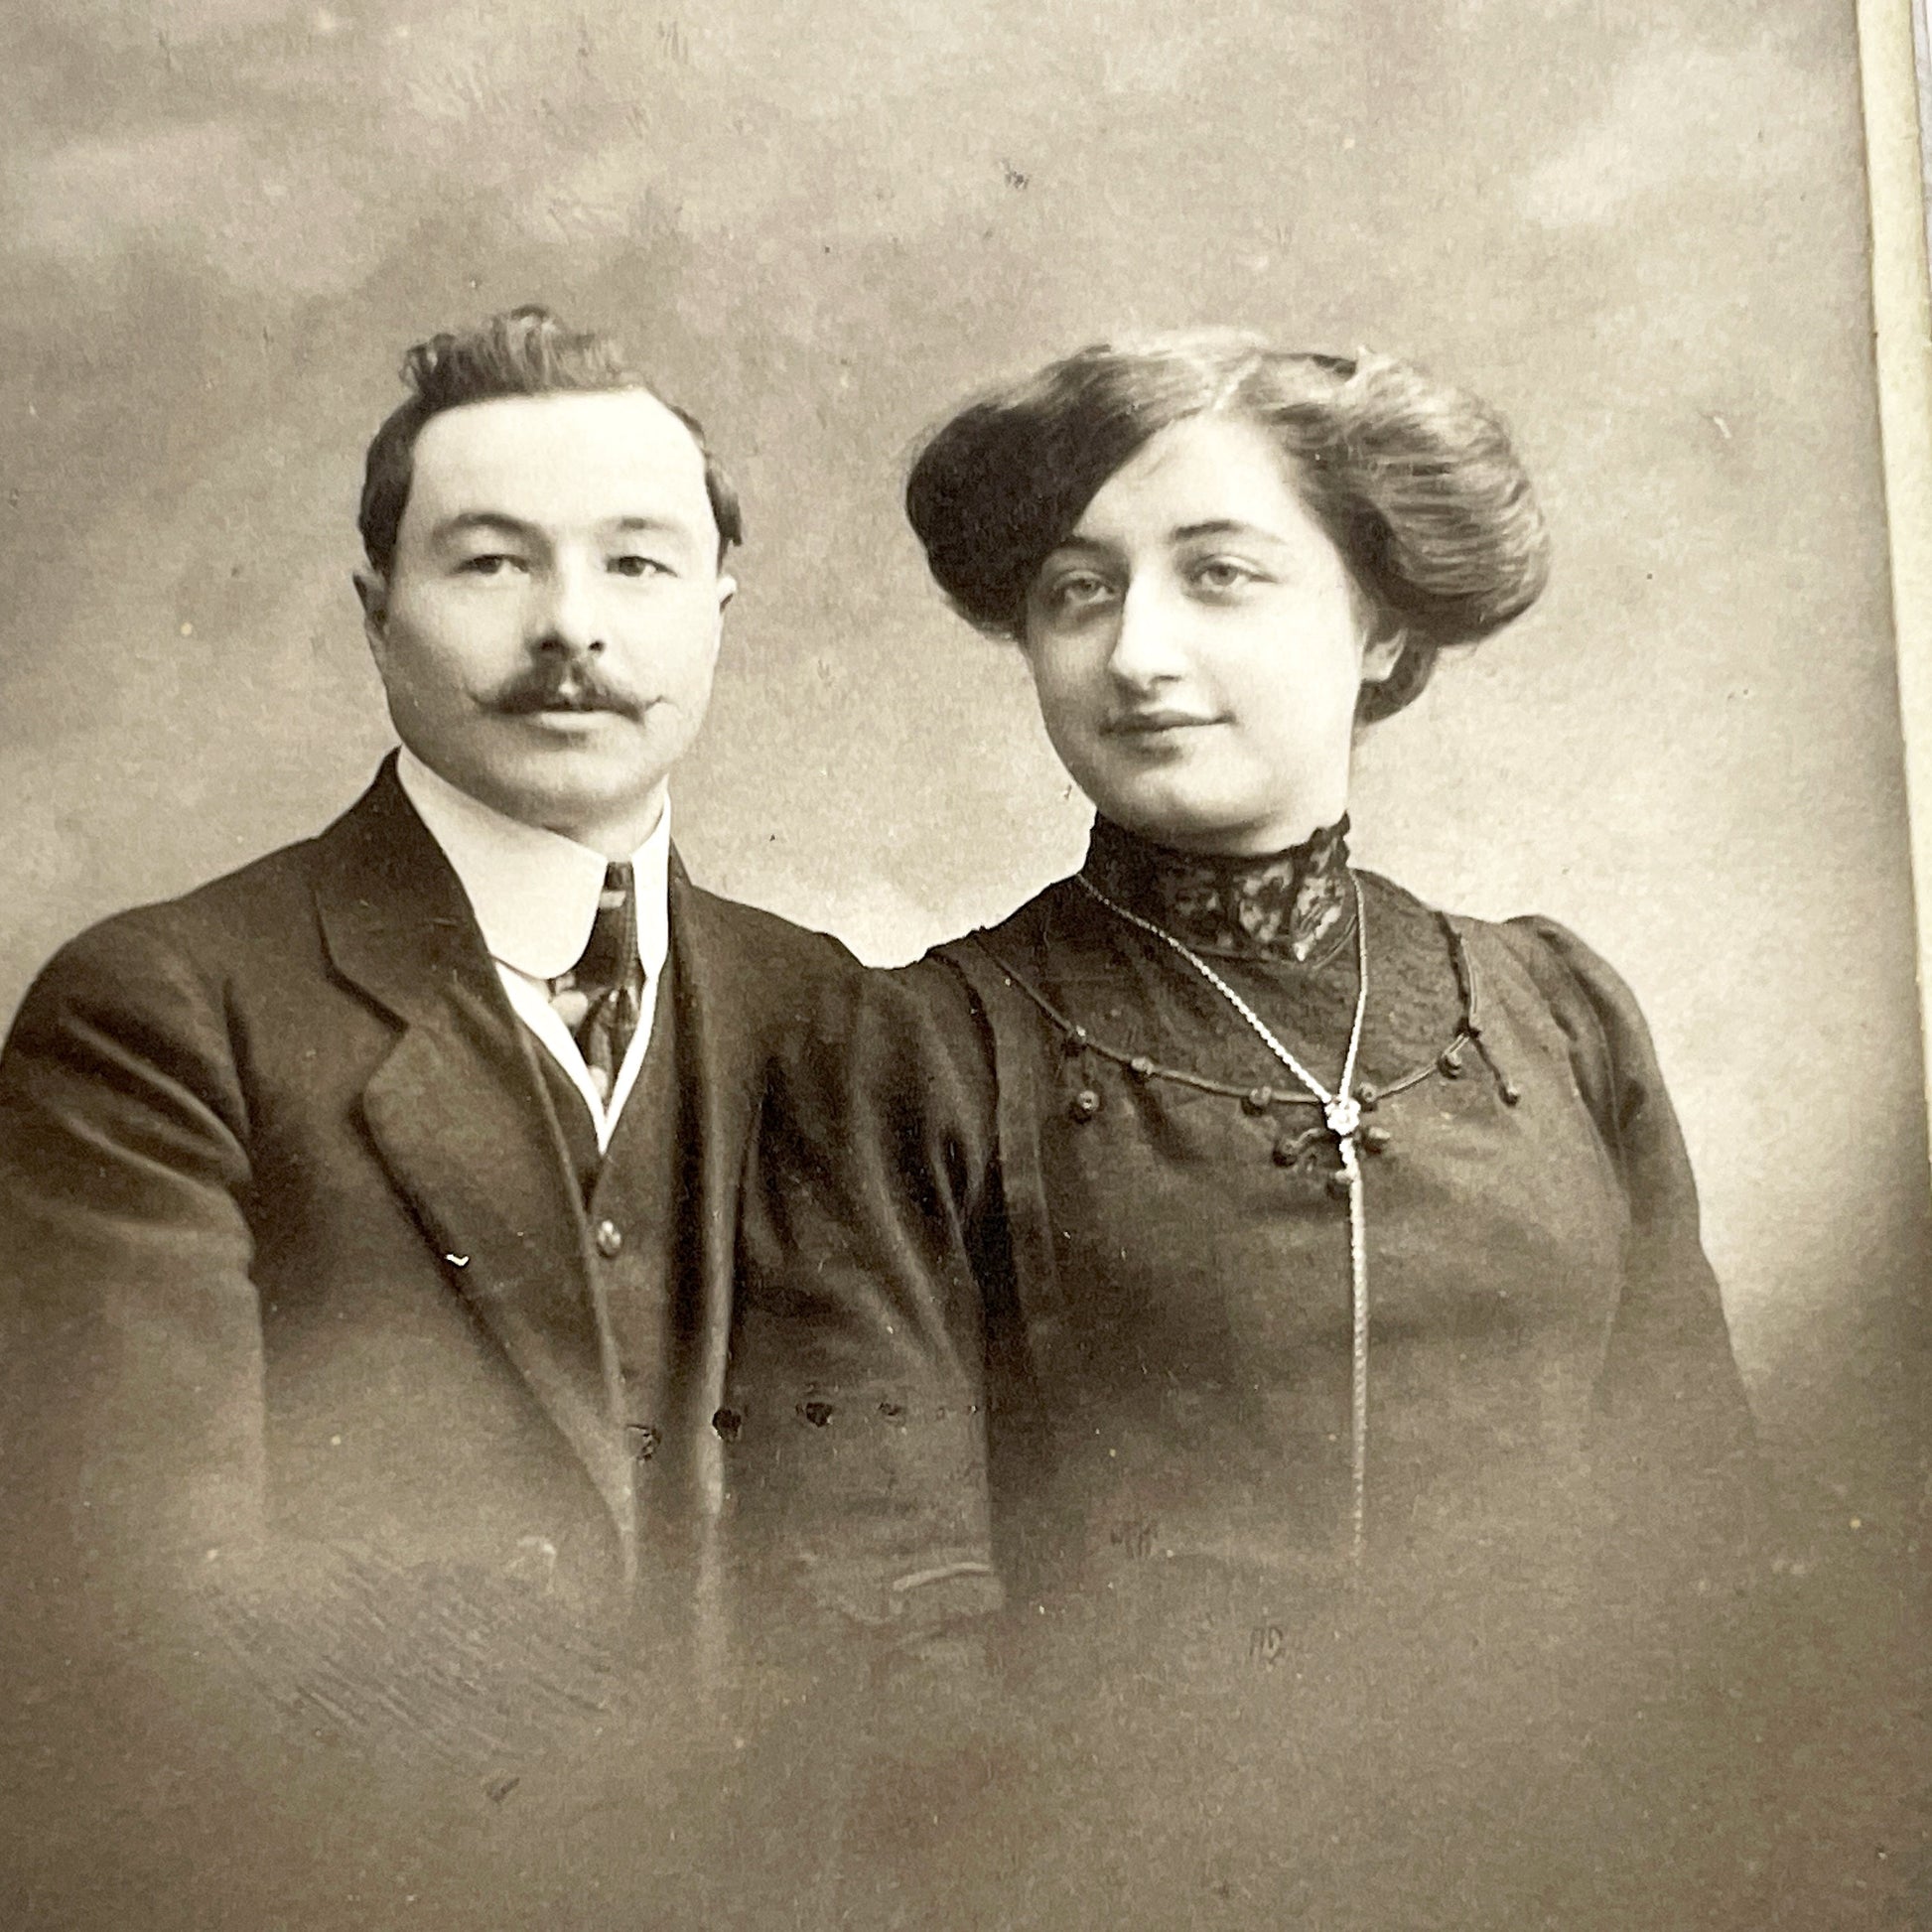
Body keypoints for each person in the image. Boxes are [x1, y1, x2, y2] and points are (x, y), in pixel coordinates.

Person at [0, 308, 991, 1929]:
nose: (570, 626)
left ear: (717, 616)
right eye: (490, 562)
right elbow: (150, 1616)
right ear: (375, 613)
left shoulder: (823, 1006)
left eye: (636, 563)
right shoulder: (165, 1008)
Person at [851, 332, 1779, 1927]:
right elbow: (892, 1615)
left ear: (1381, 624)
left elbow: (1701, 1521)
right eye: (1077, 591)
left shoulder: (1555, 1011)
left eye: (1219, 574)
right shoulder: (922, 1051)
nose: (1136, 649)